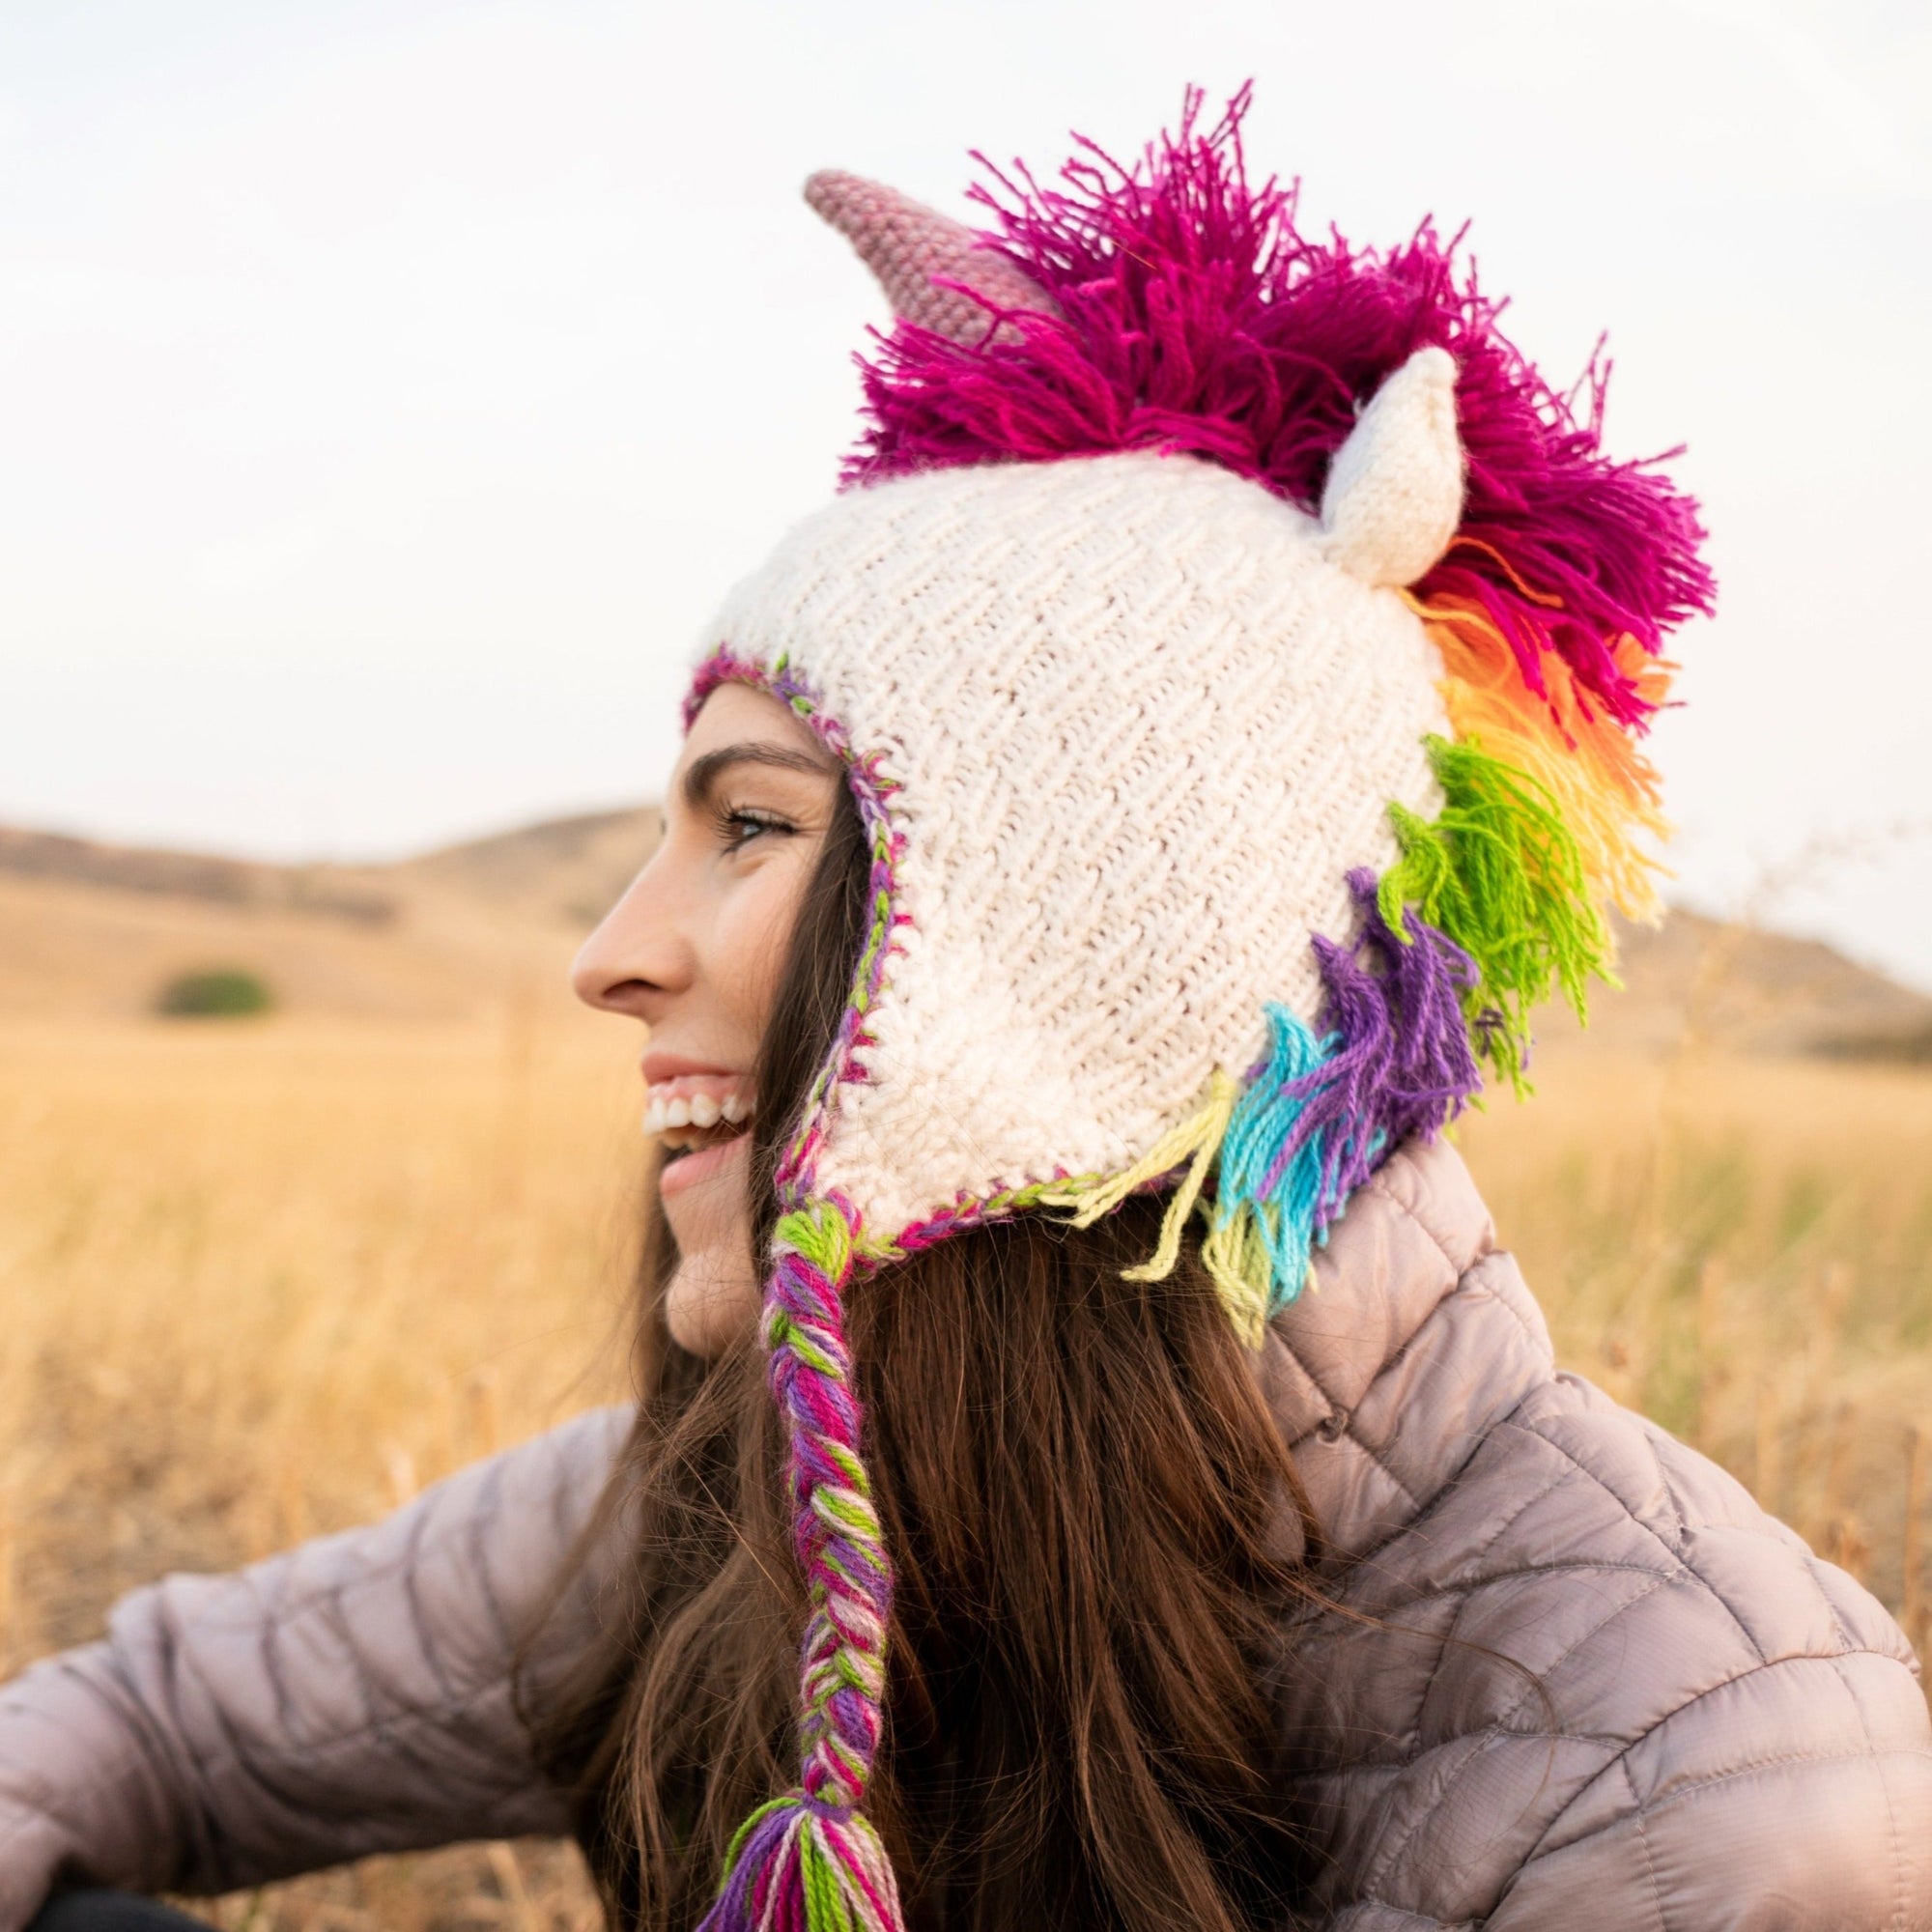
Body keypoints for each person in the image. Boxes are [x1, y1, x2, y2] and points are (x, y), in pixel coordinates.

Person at [4, 88, 1928, 1932]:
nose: (605, 957)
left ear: (1051, 949)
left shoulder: (1716, 1789)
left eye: (752, 823)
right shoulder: (759, 1465)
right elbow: (164, 1713)